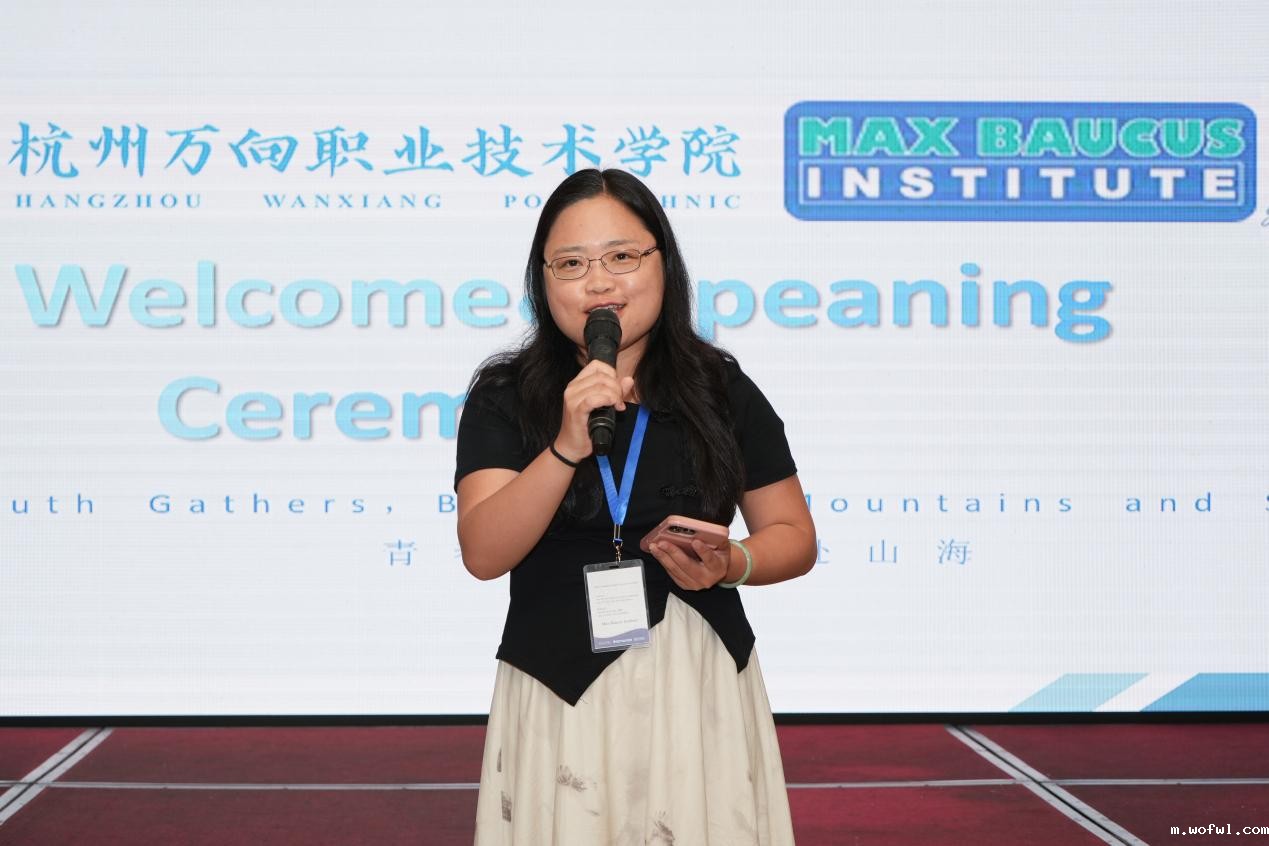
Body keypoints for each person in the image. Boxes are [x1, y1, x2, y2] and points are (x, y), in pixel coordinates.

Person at [455, 168, 816, 845]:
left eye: (621, 256)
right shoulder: (506, 395)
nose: (598, 283)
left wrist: (732, 562)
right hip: (562, 684)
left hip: (697, 677)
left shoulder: (720, 388)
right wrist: (565, 446)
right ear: (542, 282)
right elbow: (483, 551)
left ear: (662, 264)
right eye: (571, 264)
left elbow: (793, 535)